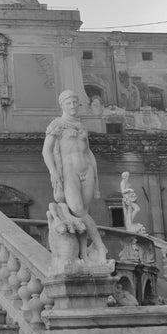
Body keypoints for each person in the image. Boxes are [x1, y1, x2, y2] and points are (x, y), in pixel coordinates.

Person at [42, 89, 109, 263]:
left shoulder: (81, 125)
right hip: (69, 172)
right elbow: (46, 151)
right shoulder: (57, 124)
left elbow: (89, 153)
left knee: (81, 214)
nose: (72, 106)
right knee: (78, 210)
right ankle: (100, 245)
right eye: (68, 103)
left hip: (87, 172)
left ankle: (84, 254)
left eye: (74, 102)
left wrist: (96, 179)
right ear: (62, 105)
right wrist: (54, 173)